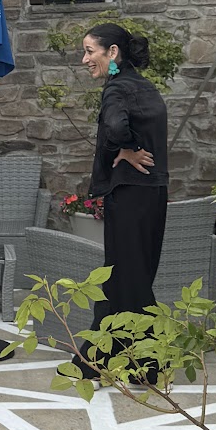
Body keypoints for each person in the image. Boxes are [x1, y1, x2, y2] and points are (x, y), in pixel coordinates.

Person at [79, 21, 170, 365]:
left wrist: (126, 148)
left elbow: (116, 126)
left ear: (112, 52)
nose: (84, 59)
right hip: (152, 193)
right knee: (129, 276)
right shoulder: (144, 86)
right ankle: (109, 358)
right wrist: (127, 148)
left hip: (130, 193)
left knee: (125, 277)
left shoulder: (116, 88)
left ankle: (144, 362)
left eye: (90, 51)